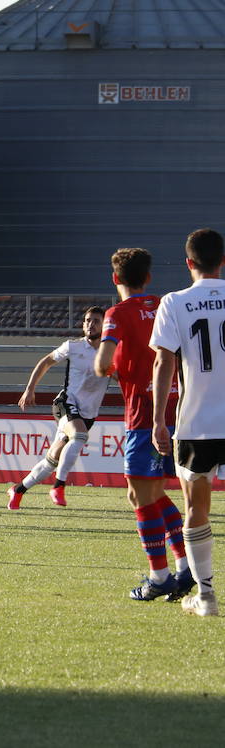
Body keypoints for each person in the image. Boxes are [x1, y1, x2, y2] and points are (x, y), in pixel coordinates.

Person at [93, 248, 192, 601]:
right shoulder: (168, 305)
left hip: (143, 415)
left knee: (140, 496)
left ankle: (160, 576)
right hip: (178, 408)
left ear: (115, 278)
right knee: (152, 493)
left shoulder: (116, 313)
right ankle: (184, 568)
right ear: (148, 277)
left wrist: (115, 363)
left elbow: (103, 366)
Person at [151, 228, 225, 617]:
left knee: (196, 506)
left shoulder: (175, 302)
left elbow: (163, 361)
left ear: (189, 263)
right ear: (223, 260)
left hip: (196, 422)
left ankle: (207, 597)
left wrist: (159, 420)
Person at [11, 307, 109, 508]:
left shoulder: (112, 352)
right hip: (65, 403)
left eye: (96, 321)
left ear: (105, 325)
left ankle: (18, 489)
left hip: (88, 413)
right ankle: (58, 486)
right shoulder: (73, 347)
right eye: (87, 320)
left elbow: (121, 377)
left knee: (53, 459)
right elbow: (46, 362)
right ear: (83, 325)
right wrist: (29, 390)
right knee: (80, 436)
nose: (91, 324)